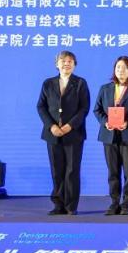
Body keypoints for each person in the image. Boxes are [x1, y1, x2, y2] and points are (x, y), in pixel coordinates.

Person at [37, 50, 91, 215]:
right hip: (53, 134)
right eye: (63, 61)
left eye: (70, 61)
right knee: (56, 170)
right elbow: (41, 106)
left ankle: (71, 206)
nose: (66, 64)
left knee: (72, 170)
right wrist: (51, 126)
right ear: (57, 64)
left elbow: (84, 108)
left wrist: (70, 126)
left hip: (73, 134)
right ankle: (58, 205)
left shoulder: (80, 83)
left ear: (74, 65)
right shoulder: (48, 83)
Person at [92, 56, 128, 215]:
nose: (121, 71)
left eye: (124, 68)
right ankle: (114, 202)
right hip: (109, 135)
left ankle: (126, 203)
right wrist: (105, 122)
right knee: (113, 171)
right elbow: (97, 109)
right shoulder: (105, 88)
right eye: (118, 68)